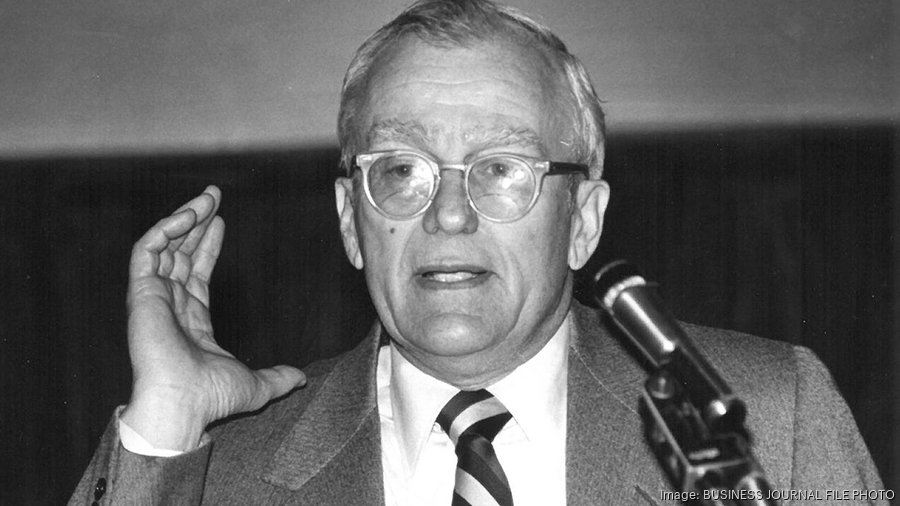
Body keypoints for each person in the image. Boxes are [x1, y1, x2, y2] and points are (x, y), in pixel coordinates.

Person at [70, 1, 884, 504]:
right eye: (401, 171)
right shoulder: (213, 470)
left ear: (583, 220)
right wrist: (164, 425)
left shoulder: (770, 419)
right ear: (352, 222)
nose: (450, 215)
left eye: (500, 169)